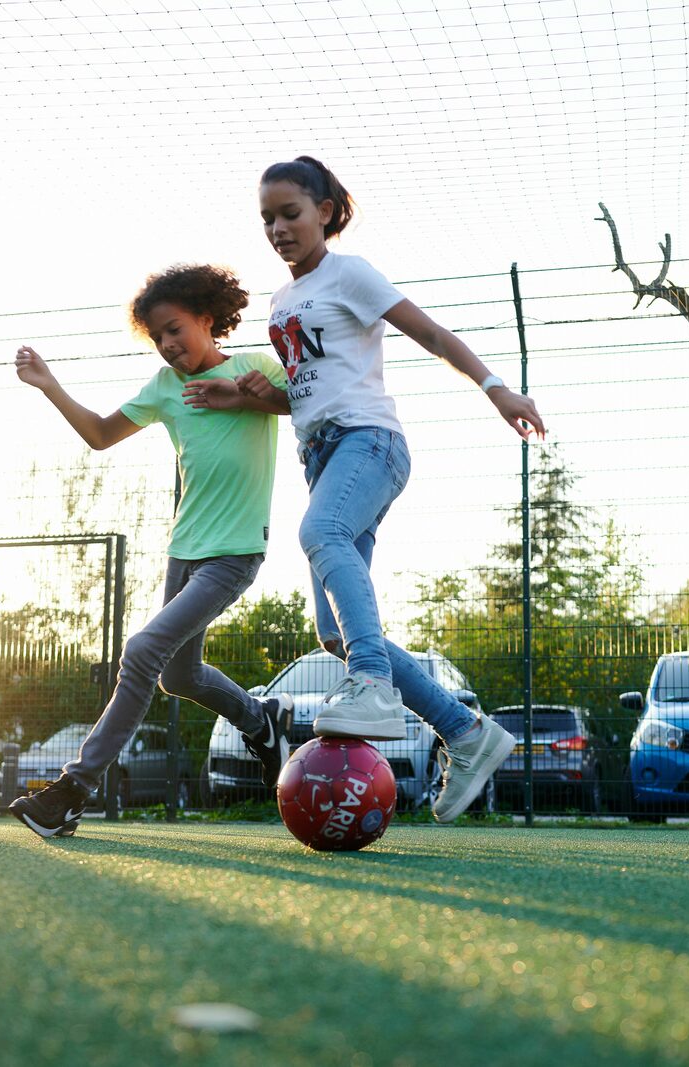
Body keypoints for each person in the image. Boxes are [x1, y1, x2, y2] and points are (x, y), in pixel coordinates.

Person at [188, 156, 548, 823]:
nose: (278, 227)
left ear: (325, 211)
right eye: (267, 217)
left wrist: (498, 388)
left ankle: (375, 686)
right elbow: (308, 395)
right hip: (324, 455)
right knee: (333, 632)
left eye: (290, 213)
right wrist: (245, 398)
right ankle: (467, 733)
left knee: (319, 535)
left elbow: (431, 333)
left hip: (370, 443)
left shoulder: (348, 274)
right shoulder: (282, 302)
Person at [7, 263, 292, 838]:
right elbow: (100, 434)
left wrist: (244, 395)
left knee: (142, 652)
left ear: (207, 320)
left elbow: (299, 405)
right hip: (184, 551)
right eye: (157, 336)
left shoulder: (256, 367)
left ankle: (72, 790)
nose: (167, 344)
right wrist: (50, 385)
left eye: (175, 329)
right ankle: (262, 722)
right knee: (178, 677)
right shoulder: (166, 389)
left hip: (235, 553)